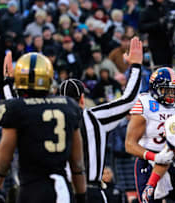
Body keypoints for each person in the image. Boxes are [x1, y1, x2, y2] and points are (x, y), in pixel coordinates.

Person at [0, 53, 87, 203]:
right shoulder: (69, 106)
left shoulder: (16, 109)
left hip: (32, 190)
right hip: (62, 191)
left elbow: (1, 164)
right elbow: (77, 165)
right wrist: (82, 198)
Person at [59, 37, 143, 203]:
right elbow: (129, 100)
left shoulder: (49, 122)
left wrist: (8, 86)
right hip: (92, 191)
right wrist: (136, 66)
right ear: (82, 99)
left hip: (64, 192)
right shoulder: (94, 117)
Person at [125, 67, 175, 203]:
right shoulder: (145, 103)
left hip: (173, 158)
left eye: (174, 90)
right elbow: (129, 144)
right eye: (167, 90)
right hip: (148, 161)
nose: (171, 95)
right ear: (155, 88)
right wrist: (155, 157)